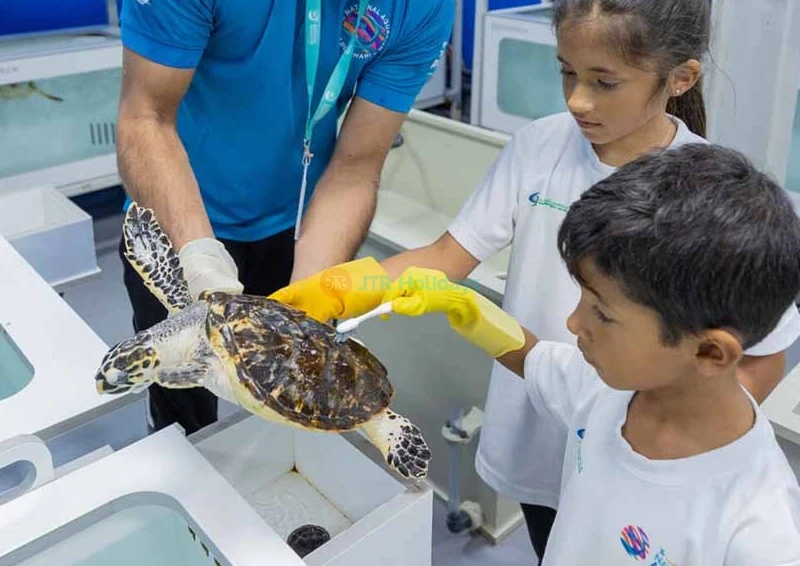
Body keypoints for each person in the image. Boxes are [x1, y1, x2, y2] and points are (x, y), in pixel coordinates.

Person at [270, 0, 800, 558]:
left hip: (645, 438)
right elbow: (450, 257)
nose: (577, 99)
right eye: (566, 71)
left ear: (680, 78)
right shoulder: (540, 147)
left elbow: (767, 352)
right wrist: (338, 290)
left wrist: (670, 434)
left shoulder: (709, 195)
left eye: (605, 82)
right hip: (549, 416)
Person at [381, 143, 800, 564]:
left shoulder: (758, 531)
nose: (573, 323)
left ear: (710, 352)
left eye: (601, 311)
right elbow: (531, 357)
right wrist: (464, 306)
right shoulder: (606, 390)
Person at [115, 0, 455, 435]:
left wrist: (310, 298)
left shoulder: (422, 7)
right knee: (184, 412)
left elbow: (355, 167)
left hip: (298, 222)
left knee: (291, 400)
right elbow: (146, 117)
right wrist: (198, 256)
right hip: (179, 219)